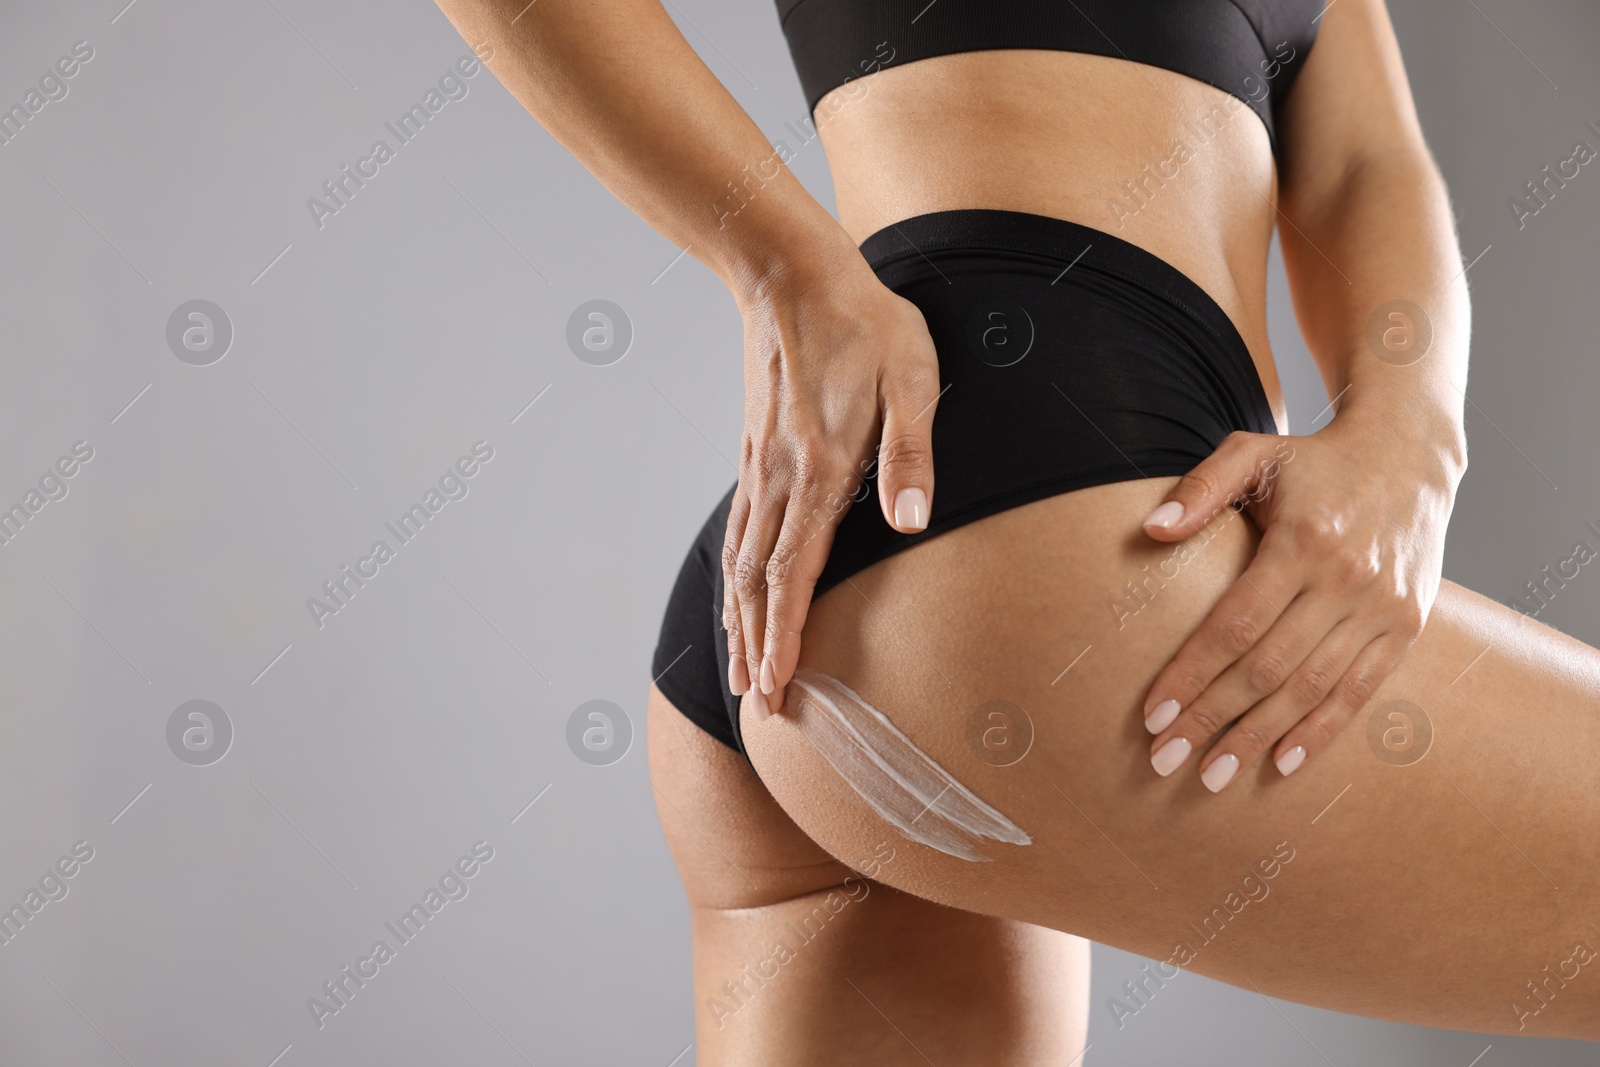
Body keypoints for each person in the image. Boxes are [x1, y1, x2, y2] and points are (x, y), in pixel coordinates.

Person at [435, 0, 1600, 1060]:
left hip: (924, 563)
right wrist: (780, 266)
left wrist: (1409, 428)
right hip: (1043, 533)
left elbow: (1361, 165)